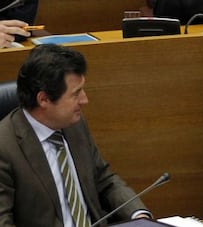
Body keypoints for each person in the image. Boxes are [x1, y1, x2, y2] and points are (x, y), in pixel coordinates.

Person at [0, 44, 151, 226]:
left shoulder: (74, 124)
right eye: (76, 93)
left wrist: (137, 215)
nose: (85, 100)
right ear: (44, 99)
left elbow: (103, 179)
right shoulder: (5, 147)